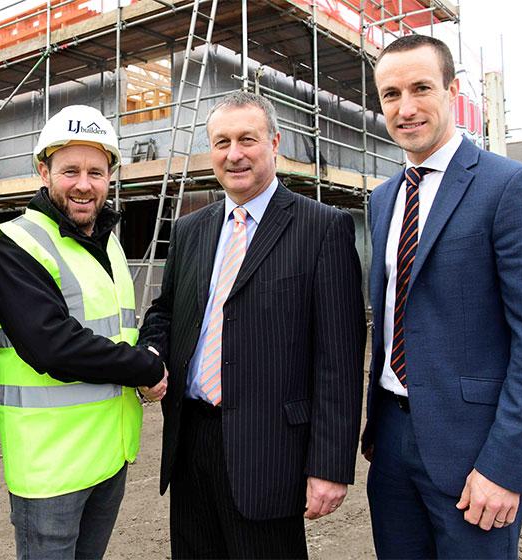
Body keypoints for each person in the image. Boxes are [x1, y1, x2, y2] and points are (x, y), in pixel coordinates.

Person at [362, 34, 522, 559]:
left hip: (476, 453)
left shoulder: (511, 187)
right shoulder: (382, 199)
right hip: (391, 444)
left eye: (420, 88)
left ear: (452, 90)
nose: (405, 108)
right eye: (390, 94)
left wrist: (505, 465)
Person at [138, 91, 366, 558]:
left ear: (275, 143)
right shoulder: (189, 229)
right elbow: (166, 312)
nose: (234, 154)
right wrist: (152, 353)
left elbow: (340, 360)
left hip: (271, 451)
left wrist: (330, 465)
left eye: (248, 139)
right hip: (191, 442)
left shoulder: (322, 227)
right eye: (222, 142)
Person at [0, 104, 168, 560]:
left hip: (109, 455)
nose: (84, 184)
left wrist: (149, 346)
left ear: (110, 177)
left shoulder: (109, 244)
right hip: (51, 467)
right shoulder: (14, 244)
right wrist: (147, 366)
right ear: (44, 172)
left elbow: (121, 328)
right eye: (70, 170)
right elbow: (52, 345)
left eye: (96, 172)